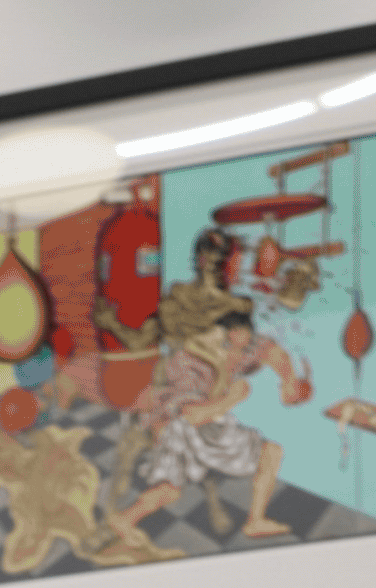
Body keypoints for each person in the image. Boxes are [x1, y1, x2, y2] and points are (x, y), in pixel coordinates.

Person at [94, 226, 310, 546]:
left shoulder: (225, 312)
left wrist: (289, 381)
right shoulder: (198, 312)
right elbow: (150, 343)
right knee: (260, 453)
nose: (238, 268)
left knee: (168, 487)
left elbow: (263, 350)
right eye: (234, 260)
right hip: (187, 398)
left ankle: (124, 519)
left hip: (188, 398)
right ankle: (254, 519)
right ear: (213, 260)